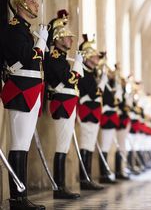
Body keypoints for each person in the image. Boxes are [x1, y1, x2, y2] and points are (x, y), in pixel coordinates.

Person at [0, 0, 47, 209]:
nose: (35, 5)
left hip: (29, 90)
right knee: (18, 144)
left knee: (24, 145)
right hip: (20, 91)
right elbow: (26, 58)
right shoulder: (14, 29)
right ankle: (17, 198)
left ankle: (21, 194)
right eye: (31, 1)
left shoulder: (24, 30)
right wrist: (41, 43)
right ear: (20, 4)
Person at [44, 10, 83, 199]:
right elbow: (68, 79)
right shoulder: (55, 56)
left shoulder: (59, 56)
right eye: (67, 37)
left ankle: (61, 186)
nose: (70, 40)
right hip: (62, 102)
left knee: (64, 146)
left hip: (67, 102)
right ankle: (59, 188)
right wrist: (77, 67)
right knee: (61, 146)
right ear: (57, 38)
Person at [76, 34, 105, 191]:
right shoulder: (84, 73)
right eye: (94, 56)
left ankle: (87, 177)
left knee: (90, 144)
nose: (96, 59)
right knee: (85, 144)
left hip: (94, 111)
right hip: (87, 111)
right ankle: (84, 178)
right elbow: (93, 93)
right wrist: (100, 86)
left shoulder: (92, 73)